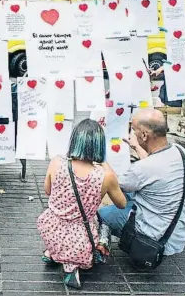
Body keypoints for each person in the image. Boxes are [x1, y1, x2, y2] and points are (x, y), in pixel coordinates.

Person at [37, 119, 127, 289]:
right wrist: (104, 162)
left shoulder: (57, 163)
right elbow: (122, 204)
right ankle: (71, 268)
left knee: (60, 235)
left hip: (49, 227)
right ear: (100, 145)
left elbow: (48, 191)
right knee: (104, 224)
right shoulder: (105, 176)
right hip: (80, 239)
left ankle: (53, 253)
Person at [98, 110, 185, 257]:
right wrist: (136, 147)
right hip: (178, 233)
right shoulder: (180, 152)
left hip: (154, 240)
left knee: (101, 214)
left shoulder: (142, 169)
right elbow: (152, 165)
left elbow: (114, 182)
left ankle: (103, 244)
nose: (131, 133)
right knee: (131, 192)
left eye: (133, 130)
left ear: (144, 135)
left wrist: (101, 159)